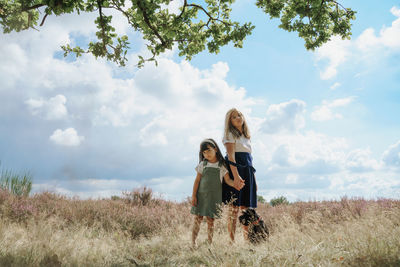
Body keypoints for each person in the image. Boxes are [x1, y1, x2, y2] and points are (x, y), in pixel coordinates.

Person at [191, 138, 243, 247]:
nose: (207, 154)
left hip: (214, 198)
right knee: (197, 219)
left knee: (211, 221)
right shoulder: (203, 165)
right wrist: (194, 196)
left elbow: (228, 180)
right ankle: (193, 242)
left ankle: (209, 242)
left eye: (209, 150)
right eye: (204, 152)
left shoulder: (221, 165)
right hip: (201, 196)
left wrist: (236, 183)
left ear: (215, 149)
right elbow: (197, 181)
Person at [222, 108, 257, 242]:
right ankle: (231, 242)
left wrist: (253, 179)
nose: (238, 118)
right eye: (234, 117)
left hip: (248, 171)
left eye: (239, 115)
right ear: (230, 121)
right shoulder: (230, 134)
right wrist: (236, 177)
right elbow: (231, 156)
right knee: (234, 208)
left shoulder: (247, 137)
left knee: (246, 208)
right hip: (236, 170)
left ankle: (247, 239)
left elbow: (250, 159)